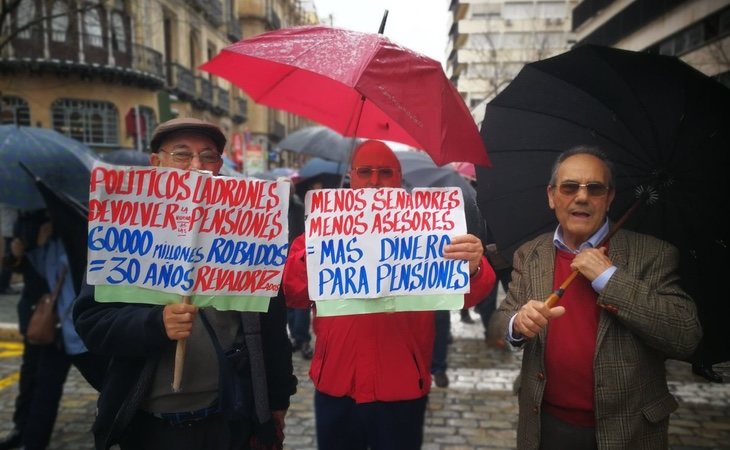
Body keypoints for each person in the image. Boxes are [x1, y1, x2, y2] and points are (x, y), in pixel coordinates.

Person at [73, 118, 297, 450]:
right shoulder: (124, 228)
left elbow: (273, 326)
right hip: (151, 428)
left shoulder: (249, 230)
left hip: (230, 421)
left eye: (208, 156)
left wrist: (277, 399)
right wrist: (155, 323)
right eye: (182, 154)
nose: (197, 166)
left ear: (220, 166)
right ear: (156, 162)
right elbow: (91, 323)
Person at [283, 140, 496, 449]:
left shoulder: (428, 230)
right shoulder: (319, 229)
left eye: (385, 172)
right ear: (351, 177)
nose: (374, 181)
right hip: (337, 383)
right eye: (365, 172)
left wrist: (474, 267)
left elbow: (467, 296)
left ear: (398, 179)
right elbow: (293, 294)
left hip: (403, 386)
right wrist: (320, 247)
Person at [497, 146, 702, 450]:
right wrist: (517, 324)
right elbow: (506, 316)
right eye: (570, 187)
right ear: (552, 196)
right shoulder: (530, 254)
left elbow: (686, 334)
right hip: (544, 426)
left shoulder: (654, 254)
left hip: (628, 431)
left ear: (609, 198)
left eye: (594, 188)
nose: (582, 197)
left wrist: (610, 279)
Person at [0, 204, 19, 295]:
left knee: (9, 257)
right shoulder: (9, 199)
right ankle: (3, 285)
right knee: (9, 258)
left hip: (9, 229)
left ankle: (4, 284)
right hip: (11, 230)